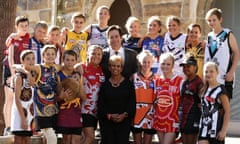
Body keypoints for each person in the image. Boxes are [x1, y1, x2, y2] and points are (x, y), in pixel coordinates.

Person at [17, 45, 60, 144]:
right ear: (43, 55)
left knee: (48, 136)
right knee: (52, 137)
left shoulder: (56, 67)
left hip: (53, 107)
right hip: (41, 108)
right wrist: (27, 73)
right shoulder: (38, 67)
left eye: (53, 54)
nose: (50, 56)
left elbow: (69, 66)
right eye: (47, 54)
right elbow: (19, 66)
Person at [98, 55, 136, 144]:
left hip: (124, 122)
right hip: (107, 123)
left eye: (118, 66)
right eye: (113, 65)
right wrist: (110, 116)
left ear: (122, 68)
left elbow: (131, 103)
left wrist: (124, 115)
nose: (116, 68)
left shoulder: (128, 84)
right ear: (109, 68)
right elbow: (101, 105)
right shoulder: (105, 85)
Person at [3, 15, 30, 135]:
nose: (24, 28)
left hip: (22, 70)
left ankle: (16, 125)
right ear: (16, 27)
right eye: (21, 26)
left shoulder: (28, 37)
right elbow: (10, 59)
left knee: (18, 98)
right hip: (10, 69)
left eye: (26, 26)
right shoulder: (13, 39)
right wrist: (13, 75)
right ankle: (8, 127)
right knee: (9, 98)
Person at [204, 8, 239, 99]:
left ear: (220, 20)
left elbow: (236, 53)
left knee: (224, 109)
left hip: (224, 78)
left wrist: (231, 72)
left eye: (214, 20)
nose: (211, 23)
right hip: (211, 79)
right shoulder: (209, 36)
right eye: (209, 20)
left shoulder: (228, 34)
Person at [153, 52, 183, 144]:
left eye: (168, 64)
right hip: (159, 119)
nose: (165, 66)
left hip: (172, 121)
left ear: (173, 65)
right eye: (163, 63)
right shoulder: (156, 80)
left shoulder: (180, 81)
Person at [56, 50, 85, 144]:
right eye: (67, 59)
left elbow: (84, 97)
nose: (70, 62)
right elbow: (56, 98)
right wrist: (61, 96)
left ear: (76, 61)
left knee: (76, 140)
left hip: (76, 112)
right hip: (64, 112)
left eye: (72, 60)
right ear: (63, 60)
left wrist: (78, 84)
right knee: (66, 140)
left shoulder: (78, 75)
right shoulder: (59, 75)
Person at [198, 62, 230, 144]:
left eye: (211, 71)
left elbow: (227, 111)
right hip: (203, 129)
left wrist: (223, 131)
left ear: (217, 72)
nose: (208, 74)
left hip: (216, 131)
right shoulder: (203, 89)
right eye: (206, 72)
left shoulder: (221, 90)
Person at [79, 45, 105, 144]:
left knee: (85, 137)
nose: (96, 56)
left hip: (97, 110)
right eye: (93, 53)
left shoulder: (103, 70)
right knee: (89, 137)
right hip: (84, 109)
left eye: (99, 54)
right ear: (87, 54)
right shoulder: (81, 67)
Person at [11, 50, 35, 144]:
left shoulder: (33, 75)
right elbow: (16, 99)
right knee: (19, 139)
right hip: (19, 113)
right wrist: (22, 118)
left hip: (29, 113)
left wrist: (28, 73)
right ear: (22, 61)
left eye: (33, 58)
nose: (31, 61)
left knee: (27, 140)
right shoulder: (19, 77)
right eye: (28, 59)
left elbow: (33, 84)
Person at [132, 50, 156, 144]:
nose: (146, 64)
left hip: (150, 114)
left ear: (152, 63)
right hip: (136, 113)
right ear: (140, 62)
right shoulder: (133, 77)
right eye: (144, 62)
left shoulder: (157, 78)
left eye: (149, 62)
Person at [179, 53, 203, 144]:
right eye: (184, 66)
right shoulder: (185, 82)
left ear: (195, 67)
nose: (186, 69)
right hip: (184, 118)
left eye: (188, 66)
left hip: (193, 118)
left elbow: (203, 100)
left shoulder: (199, 82)